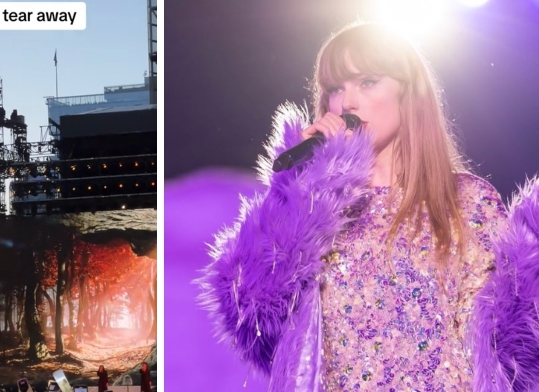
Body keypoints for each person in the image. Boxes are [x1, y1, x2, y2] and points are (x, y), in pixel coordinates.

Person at [197, 22, 539, 391]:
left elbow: (512, 351)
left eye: (368, 82)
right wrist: (312, 185)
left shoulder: (467, 201)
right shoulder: (317, 203)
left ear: (409, 93)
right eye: (335, 89)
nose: (348, 103)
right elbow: (252, 316)